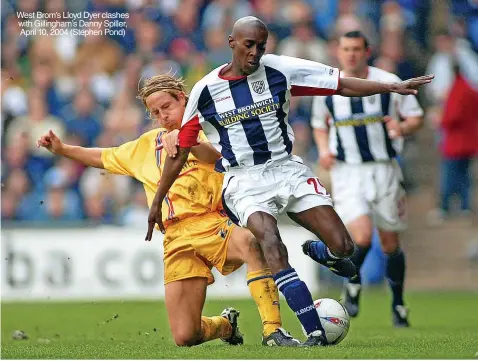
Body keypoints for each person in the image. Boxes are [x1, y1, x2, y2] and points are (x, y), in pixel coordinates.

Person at [146, 16, 433, 346]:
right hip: (244, 180)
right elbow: (181, 151)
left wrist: (390, 87)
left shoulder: (280, 69)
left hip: (287, 170)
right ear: (231, 42)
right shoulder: (206, 90)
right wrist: (157, 202)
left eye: (261, 45)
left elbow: (340, 84)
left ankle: (324, 252)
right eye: (248, 45)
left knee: (345, 247)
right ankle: (312, 332)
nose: (255, 52)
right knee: (270, 239)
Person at [37, 74, 300, 347]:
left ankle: (273, 331)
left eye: (167, 107)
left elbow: (218, 155)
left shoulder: (210, 129)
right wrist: (62, 149)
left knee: (250, 240)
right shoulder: (147, 145)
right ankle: (224, 326)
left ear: (183, 99)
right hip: (176, 237)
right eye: (155, 112)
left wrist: (188, 140)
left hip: (215, 222)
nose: (162, 116)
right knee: (185, 336)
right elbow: (104, 157)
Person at [309, 31, 425, 327]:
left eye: (356, 49)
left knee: (389, 243)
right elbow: (318, 125)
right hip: (348, 171)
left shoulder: (387, 82)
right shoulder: (328, 86)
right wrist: (323, 149)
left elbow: (416, 117)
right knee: (360, 236)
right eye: (346, 49)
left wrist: (402, 128)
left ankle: (398, 304)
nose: (351, 54)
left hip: (384, 169)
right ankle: (353, 283)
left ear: (367, 51)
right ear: (338, 51)